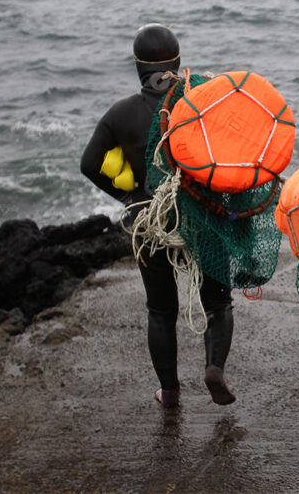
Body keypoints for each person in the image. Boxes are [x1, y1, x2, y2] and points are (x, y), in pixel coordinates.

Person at [80, 24, 237, 409]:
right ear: (178, 62)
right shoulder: (203, 103)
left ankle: (169, 393)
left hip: (151, 222)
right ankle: (214, 368)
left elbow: (89, 164)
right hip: (203, 217)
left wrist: (128, 196)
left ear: (138, 68)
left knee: (161, 311)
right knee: (218, 304)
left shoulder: (121, 114)